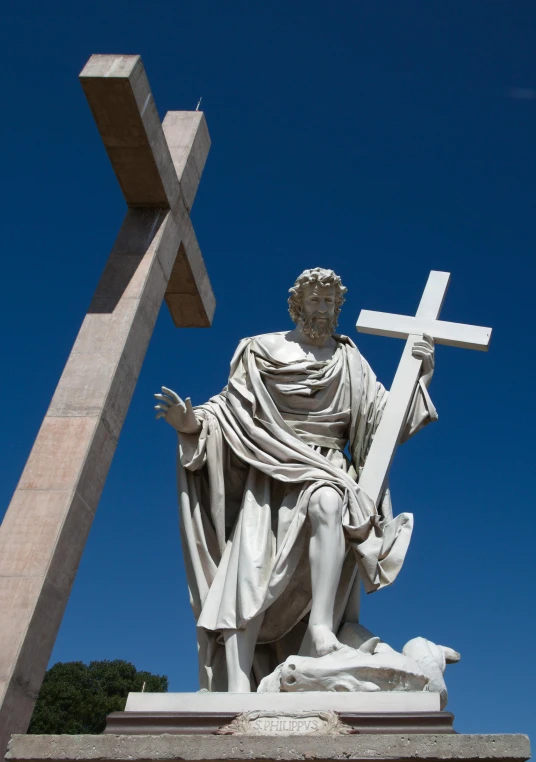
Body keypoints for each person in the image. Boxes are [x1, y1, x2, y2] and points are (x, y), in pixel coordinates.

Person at [154, 268, 436, 692]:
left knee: (328, 501)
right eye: (314, 301)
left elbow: (384, 425)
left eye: (329, 302)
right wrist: (192, 424)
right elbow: (230, 411)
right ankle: (236, 688)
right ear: (298, 304)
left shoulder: (349, 360)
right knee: (247, 573)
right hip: (269, 475)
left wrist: (421, 374)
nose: (321, 309)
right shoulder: (260, 349)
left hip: (327, 470)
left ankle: (322, 632)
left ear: (337, 308)